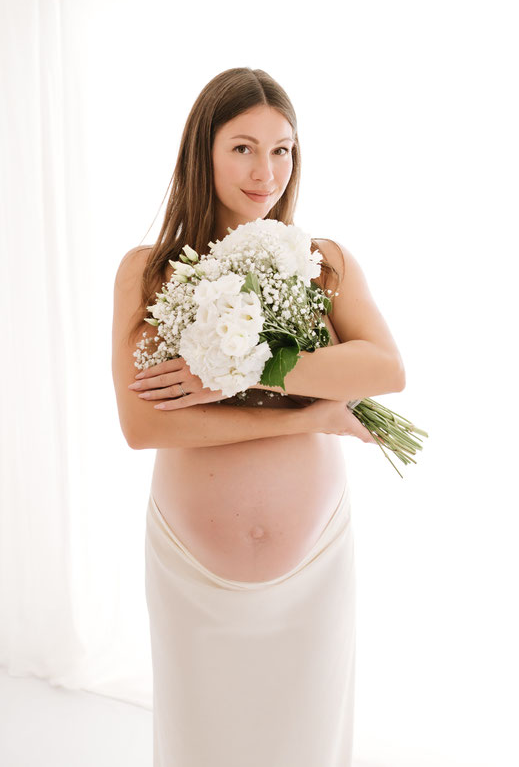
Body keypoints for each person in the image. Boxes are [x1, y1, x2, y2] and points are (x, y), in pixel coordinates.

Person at [112, 67, 405, 767]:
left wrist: (246, 365)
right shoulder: (149, 270)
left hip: (314, 568)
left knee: (307, 745)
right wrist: (310, 416)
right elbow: (144, 425)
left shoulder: (321, 262)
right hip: (191, 574)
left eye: (283, 150)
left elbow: (384, 370)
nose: (264, 170)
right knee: (199, 745)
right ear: (203, 152)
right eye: (242, 147)